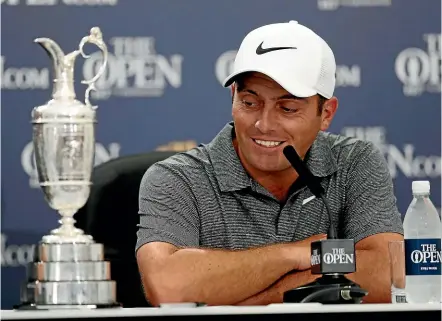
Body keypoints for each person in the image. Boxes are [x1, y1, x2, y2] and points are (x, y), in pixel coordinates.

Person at [135, 20, 404, 306]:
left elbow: (389, 273)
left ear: (326, 113)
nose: (264, 124)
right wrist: (294, 254)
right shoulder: (176, 178)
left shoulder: (354, 163)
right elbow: (167, 287)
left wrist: (254, 300)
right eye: (250, 103)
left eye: (287, 108)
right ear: (233, 97)